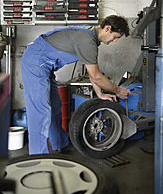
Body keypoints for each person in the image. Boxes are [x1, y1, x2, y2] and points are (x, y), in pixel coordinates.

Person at [21, 15, 131, 155]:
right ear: (108, 28)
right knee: (40, 112)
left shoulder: (90, 35)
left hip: (45, 67)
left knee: (55, 107)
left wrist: (100, 94)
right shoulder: (87, 40)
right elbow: (96, 77)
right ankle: (37, 157)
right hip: (34, 63)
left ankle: (60, 144)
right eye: (116, 37)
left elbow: (93, 74)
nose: (115, 41)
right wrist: (118, 90)